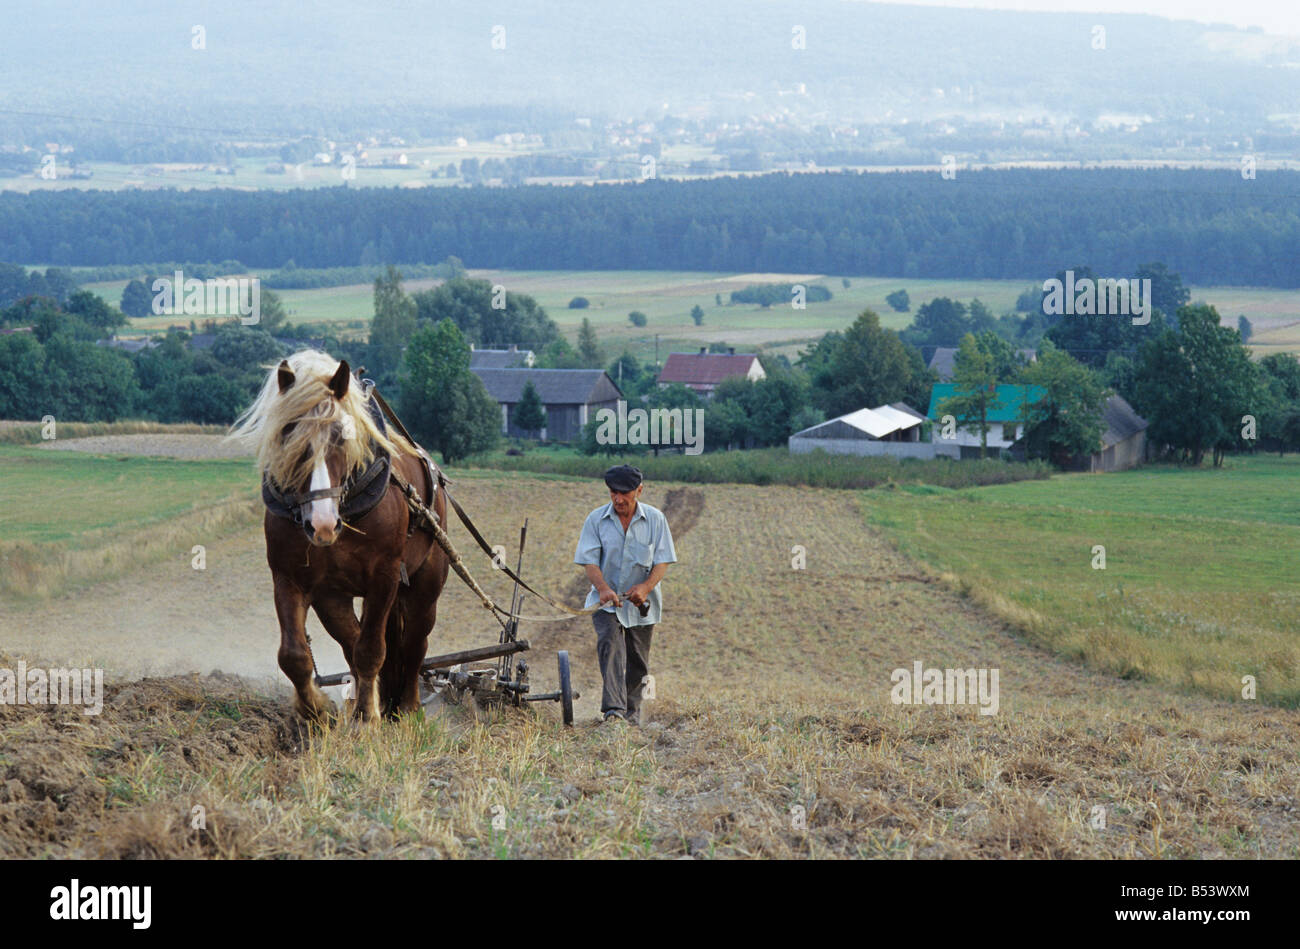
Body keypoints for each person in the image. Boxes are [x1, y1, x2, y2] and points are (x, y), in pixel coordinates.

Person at [573, 464, 676, 726]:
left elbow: (662, 561)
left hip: (643, 604)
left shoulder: (655, 519)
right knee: (610, 646)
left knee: (638, 660)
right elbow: (589, 561)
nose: (618, 499)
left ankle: (632, 713)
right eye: (613, 493)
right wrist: (604, 589)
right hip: (605, 602)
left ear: (639, 490)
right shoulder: (596, 520)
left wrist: (645, 588)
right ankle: (614, 711)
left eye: (624, 493)